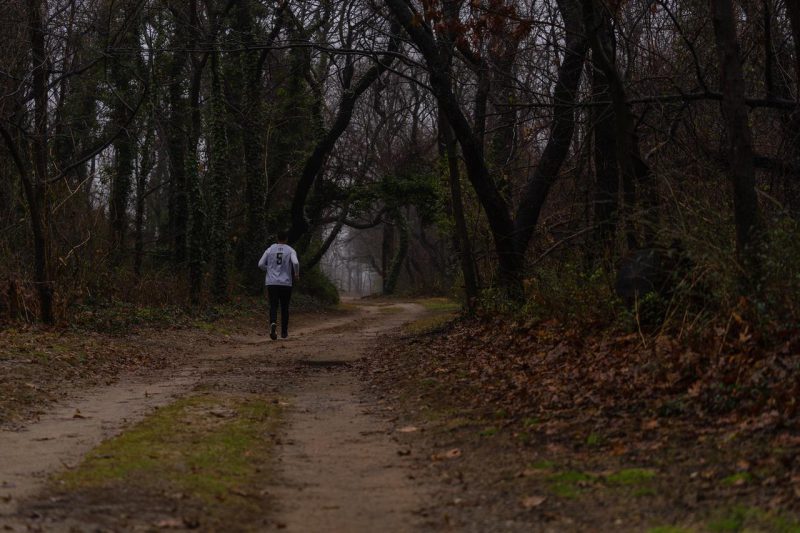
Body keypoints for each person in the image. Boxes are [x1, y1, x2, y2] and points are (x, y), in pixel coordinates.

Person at [257, 230, 299, 340]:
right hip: (286, 283)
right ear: (286, 239)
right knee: (285, 307)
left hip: (272, 283)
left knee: (273, 305)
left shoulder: (270, 249)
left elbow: (260, 264)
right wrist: (296, 273)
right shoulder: (290, 250)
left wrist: (269, 269)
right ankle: (284, 332)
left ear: (277, 238)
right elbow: (295, 263)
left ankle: (273, 323)